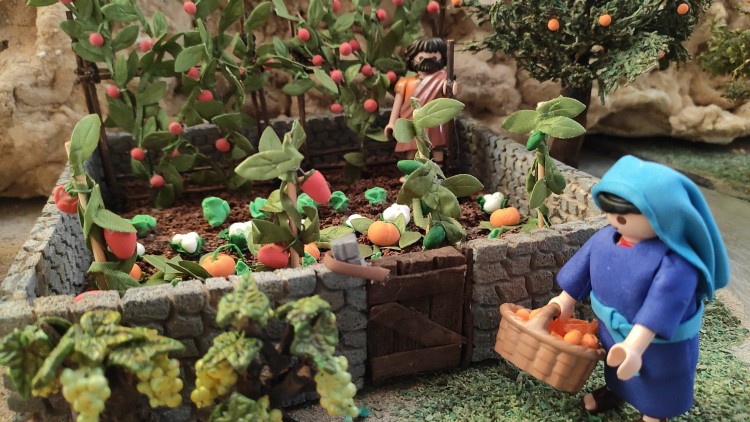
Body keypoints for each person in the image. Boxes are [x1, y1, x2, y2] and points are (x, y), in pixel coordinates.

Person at [548, 155, 730, 422]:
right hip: (612, 330)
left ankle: (653, 416)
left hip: (655, 342)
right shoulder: (604, 238)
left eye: (625, 216)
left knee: (656, 378)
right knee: (616, 367)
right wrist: (566, 300)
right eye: (611, 212)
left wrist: (635, 344)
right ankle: (615, 392)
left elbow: (660, 308)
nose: (616, 220)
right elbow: (582, 270)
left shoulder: (676, 265)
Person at [384, 37, 457, 164]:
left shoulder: (441, 80)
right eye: (421, 58)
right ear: (412, 59)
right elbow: (397, 104)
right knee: (411, 149)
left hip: (434, 123)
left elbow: (449, 90)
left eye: (434, 58)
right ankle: (411, 171)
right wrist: (391, 123)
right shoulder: (405, 82)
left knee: (437, 149)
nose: (427, 61)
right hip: (411, 122)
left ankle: (437, 171)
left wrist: (451, 85)